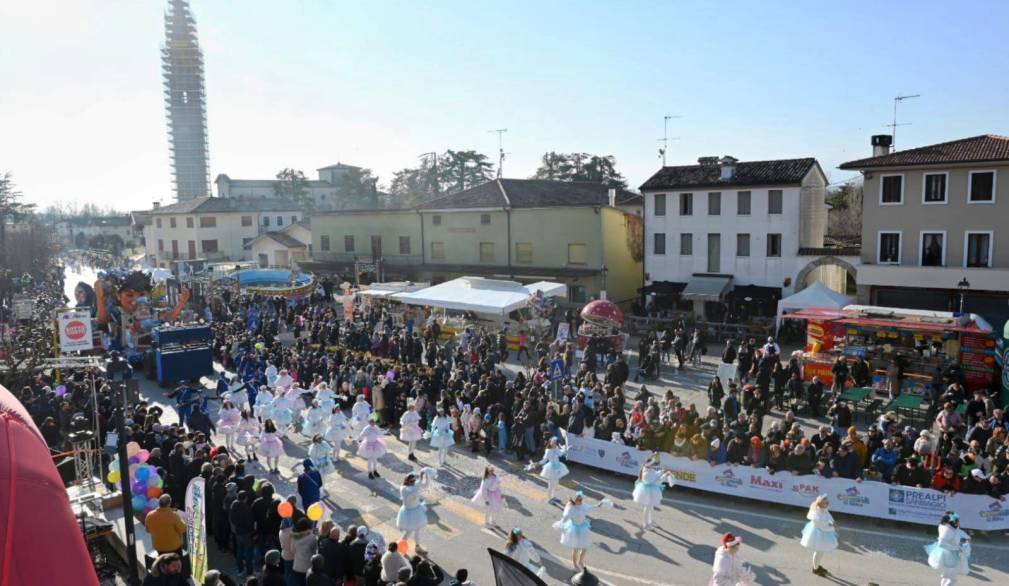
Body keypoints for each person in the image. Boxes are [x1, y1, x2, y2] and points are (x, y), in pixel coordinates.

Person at [552, 491, 611, 571]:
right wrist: (559, 524)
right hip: (574, 530)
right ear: (574, 500)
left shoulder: (583, 505)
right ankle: (575, 564)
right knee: (576, 548)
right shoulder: (571, 509)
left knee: (585, 547)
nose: (580, 501)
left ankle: (580, 561)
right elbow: (565, 518)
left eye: (581, 499)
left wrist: (598, 505)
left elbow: (590, 507)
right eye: (578, 500)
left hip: (583, 527)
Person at [924, 512, 971, 586]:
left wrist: (965, 540)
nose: (959, 522)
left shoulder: (946, 527)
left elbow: (958, 534)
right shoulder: (947, 530)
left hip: (949, 554)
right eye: (957, 520)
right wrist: (957, 548)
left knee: (946, 576)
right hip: (951, 556)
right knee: (952, 579)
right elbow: (941, 544)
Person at [632, 454, 674, 529]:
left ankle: (650, 521)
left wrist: (662, 471)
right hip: (648, 491)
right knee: (648, 507)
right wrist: (664, 475)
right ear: (649, 465)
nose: (654, 466)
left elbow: (655, 474)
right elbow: (657, 481)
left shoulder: (649, 469)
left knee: (651, 507)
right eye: (653, 464)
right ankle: (645, 523)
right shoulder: (646, 473)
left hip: (651, 490)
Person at [397, 470, 434, 554]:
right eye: (413, 481)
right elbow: (421, 486)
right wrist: (423, 477)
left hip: (407, 511)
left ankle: (401, 546)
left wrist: (423, 478)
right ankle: (416, 547)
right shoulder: (412, 489)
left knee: (410, 531)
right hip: (414, 512)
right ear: (410, 481)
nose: (414, 482)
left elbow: (421, 485)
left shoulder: (403, 487)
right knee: (415, 530)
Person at [800, 495, 838, 576]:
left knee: (820, 552)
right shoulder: (817, 515)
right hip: (819, 535)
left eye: (827, 502)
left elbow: (829, 517)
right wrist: (833, 528)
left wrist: (833, 523)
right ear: (821, 504)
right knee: (819, 552)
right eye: (826, 503)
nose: (828, 504)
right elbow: (822, 527)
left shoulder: (823, 509)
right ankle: (815, 569)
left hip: (824, 533)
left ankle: (816, 566)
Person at [533, 437, 569, 502]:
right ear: (550, 442)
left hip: (558, 468)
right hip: (551, 469)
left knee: (556, 484)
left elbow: (561, 454)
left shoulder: (556, 449)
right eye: (553, 442)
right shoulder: (548, 451)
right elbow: (544, 461)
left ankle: (553, 497)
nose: (554, 444)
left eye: (555, 443)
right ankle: (549, 499)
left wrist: (565, 449)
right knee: (551, 485)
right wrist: (536, 464)